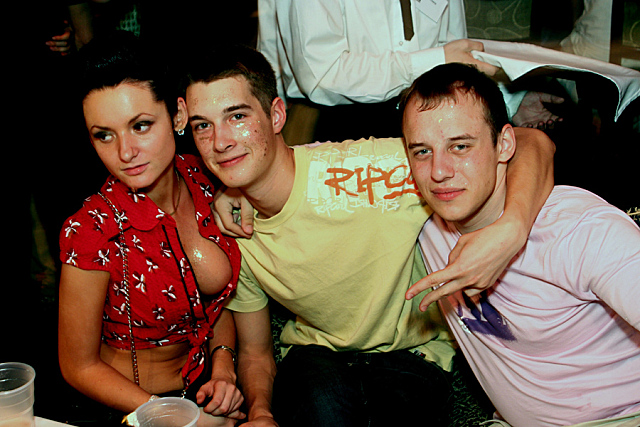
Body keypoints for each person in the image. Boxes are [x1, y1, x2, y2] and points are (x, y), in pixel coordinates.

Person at [179, 44, 555, 426]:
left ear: (276, 114)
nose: (220, 142)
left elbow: (532, 142)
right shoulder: (233, 229)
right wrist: (260, 412)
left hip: (413, 353)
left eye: (237, 116)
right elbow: (256, 352)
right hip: (315, 354)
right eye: (202, 126)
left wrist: (512, 228)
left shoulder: (370, 169)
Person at [400, 63, 640, 427]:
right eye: (421, 152)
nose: (439, 171)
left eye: (460, 146)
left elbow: (533, 140)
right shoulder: (422, 220)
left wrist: (513, 227)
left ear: (504, 144)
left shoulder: (581, 231)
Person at [58, 32, 244, 426]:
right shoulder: (90, 231)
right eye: (104, 135)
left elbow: (213, 304)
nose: (124, 152)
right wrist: (173, 417)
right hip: (130, 408)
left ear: (178, 115)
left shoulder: (204, 179)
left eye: (141, 126)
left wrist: (224, 368)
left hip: (206, 389)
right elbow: (78, 366)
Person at [257, 0, 563, 144]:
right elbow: (321, 76)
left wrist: (511, 101)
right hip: (329, 126)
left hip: (423, 118)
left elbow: (453, 54)